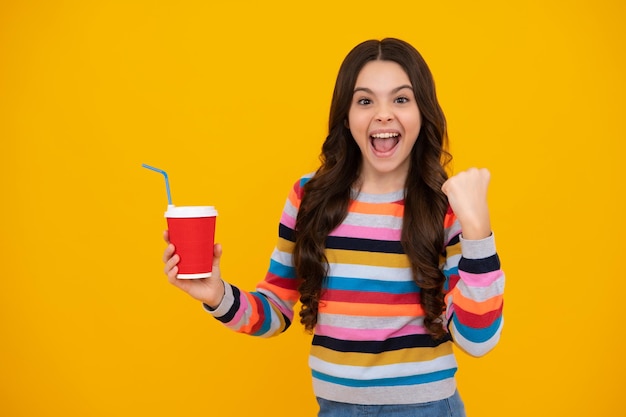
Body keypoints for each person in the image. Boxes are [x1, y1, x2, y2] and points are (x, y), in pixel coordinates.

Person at [161, 38, 504, 417]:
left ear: (423, 112)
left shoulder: (447, 205)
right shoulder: (309, 197)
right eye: (365, 100)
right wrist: (216, 294)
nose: (384, 114)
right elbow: (275, 311)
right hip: (335, 408)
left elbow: (478, 340)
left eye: (401, 99)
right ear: (346, 115)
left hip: (425, 408)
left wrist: (478, 235)